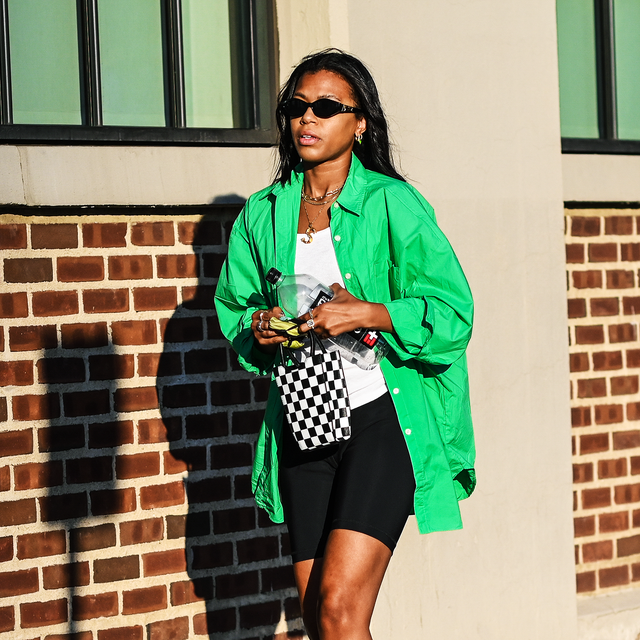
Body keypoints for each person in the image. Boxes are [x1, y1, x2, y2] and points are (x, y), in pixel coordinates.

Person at [215, 48, 475, 640]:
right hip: (304, 418)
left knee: (338, 610)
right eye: (297, 107)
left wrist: (372, 312)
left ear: (360, 123)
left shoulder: (392, 204)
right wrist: (257, 326)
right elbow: (234, 309)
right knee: (319, 619)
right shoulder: (263, 214)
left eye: (327, 107)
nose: (308, 119)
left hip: (382, 419)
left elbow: (454, 312)